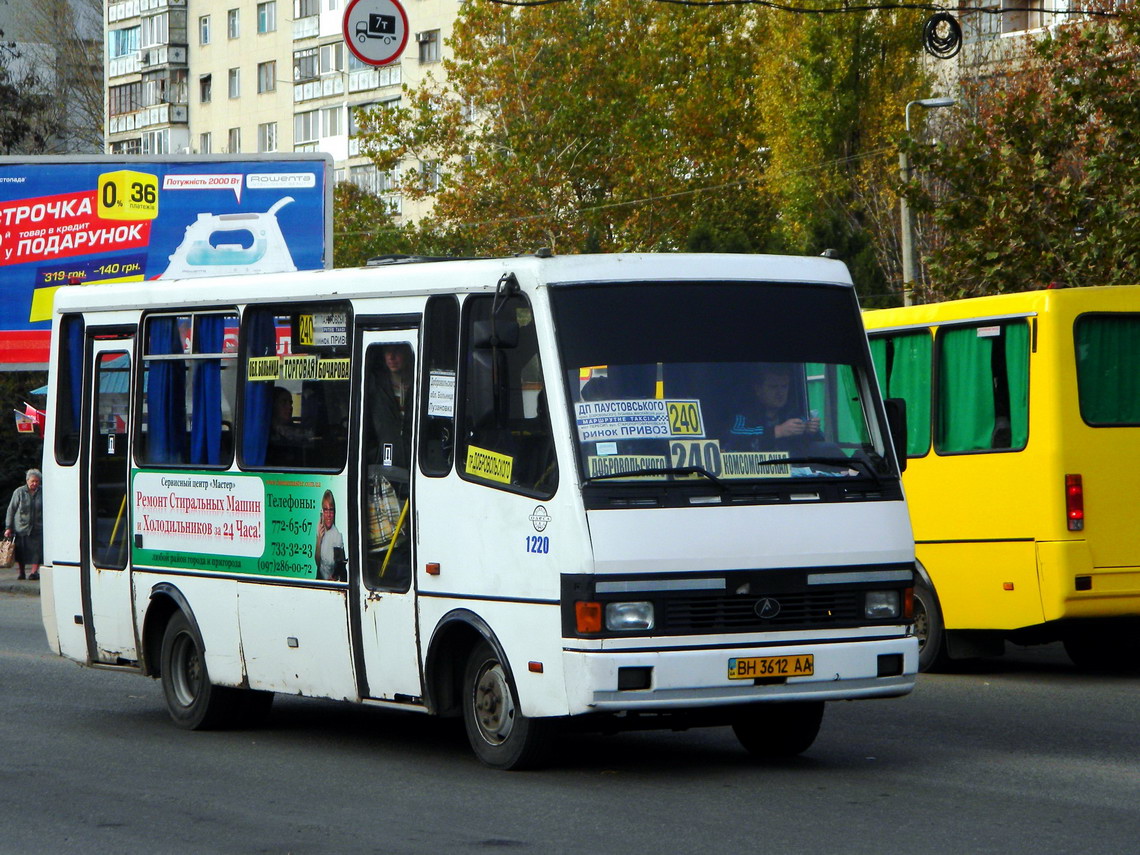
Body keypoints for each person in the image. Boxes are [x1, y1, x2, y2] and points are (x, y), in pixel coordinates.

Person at [727, 363, 821, 453]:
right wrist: (778, 431)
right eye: (773, 387)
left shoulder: (794, 414)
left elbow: (813, 447)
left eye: (784, 386)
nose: (780, 393)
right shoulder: (744, 415)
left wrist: (810, 432)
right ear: (758, 389)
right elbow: (733, 440)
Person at [5, 468, 43, 581]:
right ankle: (21, 573)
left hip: (37, 526)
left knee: (37, 551)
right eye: (33, 481)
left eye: (37, 481)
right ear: (27, 481)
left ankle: (33, 572)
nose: (35, 483)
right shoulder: (19, 492)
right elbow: (11, 510)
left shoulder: (43, 492)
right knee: (21, 552)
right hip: (21, 527)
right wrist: (8, 527)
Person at [314, 489, 344, 581]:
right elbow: (317, 563)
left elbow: (340, 567)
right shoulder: (320, 530)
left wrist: (334, 578)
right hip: (320, 581)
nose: (328, 515)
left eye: (331, 510)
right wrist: (319, 539)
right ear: (322, 512)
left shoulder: (337, 536)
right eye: (325, 510)